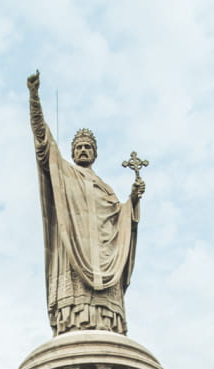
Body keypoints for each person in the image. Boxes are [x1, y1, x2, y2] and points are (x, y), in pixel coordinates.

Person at [28, 71, 144, 336]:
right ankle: (74, 319)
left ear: (95, 153)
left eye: (87, 147)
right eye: (79, 147)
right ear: (72, 152)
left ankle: (105, 320)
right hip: (72, 251)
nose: (82, 150)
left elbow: (120, 220)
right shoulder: (65, 174)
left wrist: (133, 200)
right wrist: (34, 98)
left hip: (103, 258)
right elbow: (43, 140)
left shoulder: (105, 189)